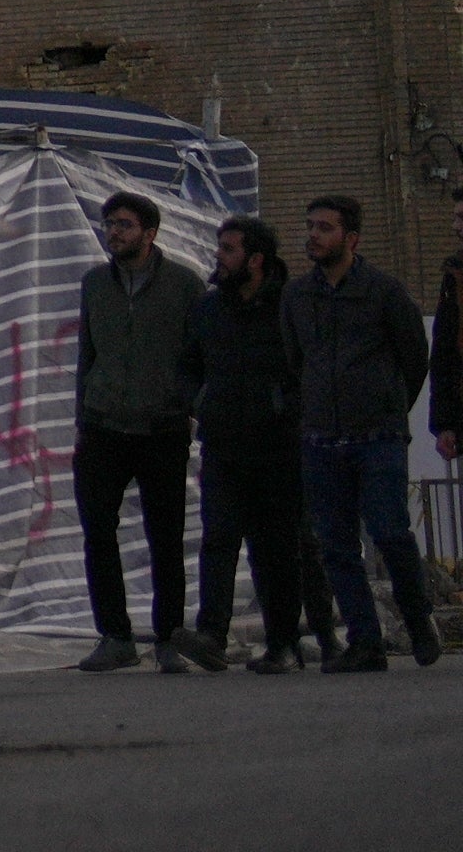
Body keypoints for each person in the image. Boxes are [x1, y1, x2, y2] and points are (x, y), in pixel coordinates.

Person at [283, 196, 440, 673]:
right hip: (321, 439)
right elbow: (296, 362)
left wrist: (387, 409)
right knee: (335, 543)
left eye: (324, 228)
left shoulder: (384, 292)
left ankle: (418, 621)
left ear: (351, 238)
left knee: (391, 533)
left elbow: (415, 359)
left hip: (377, 437)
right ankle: (365, 641)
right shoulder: (298, 296)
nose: (313, 235)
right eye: (310, 226)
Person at [68, 192, 206, 673]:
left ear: (149, 233)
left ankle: (167, 637)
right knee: (97, 533)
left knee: (165, 536)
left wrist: (185, 406)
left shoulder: (184, 286)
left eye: (124, 225)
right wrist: (83, 417)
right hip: (103, 426)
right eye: (109, 224)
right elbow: (88, 355)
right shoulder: (94, 284)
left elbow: (197, 358)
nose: (114, 233)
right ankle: (115, 636)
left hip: (161, 428)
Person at [187, 217, 326, 673]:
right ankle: (211, 635)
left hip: (278, 445)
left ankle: (282, 643)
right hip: (223, 443)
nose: (219, 258)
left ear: (256, 259)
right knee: (219, 537)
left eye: (228, 250)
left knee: (277, 547)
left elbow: (310, 364)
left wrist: (288, 408)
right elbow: (189, 367)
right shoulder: (210, 309)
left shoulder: (291, 304)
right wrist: (200, 402)